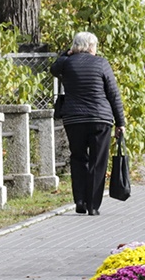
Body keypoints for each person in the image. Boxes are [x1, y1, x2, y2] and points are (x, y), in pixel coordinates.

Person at [50, 31, 125, 216]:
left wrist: (66, 53)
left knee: (78, 158)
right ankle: (93, 205)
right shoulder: (101, 63)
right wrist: (120, 122)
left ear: (74, 46)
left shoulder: (66, 63)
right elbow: (113, 93)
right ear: (92, 46)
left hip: (74, 119)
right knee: (98, 161)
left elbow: (53, 69)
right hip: (100, 119)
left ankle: (80, 201)